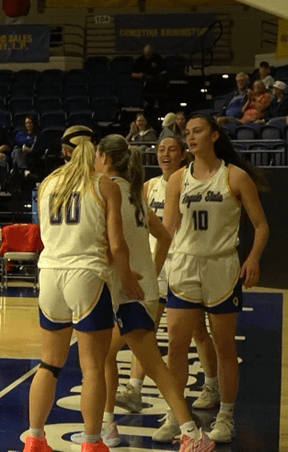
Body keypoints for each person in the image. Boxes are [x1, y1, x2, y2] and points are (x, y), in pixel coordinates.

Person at [67, 134, 215, 450]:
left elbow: (111, 246)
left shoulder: (105, 191)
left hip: (126, 290)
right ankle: (118, 426)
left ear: (105, 158)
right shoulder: (134, 194)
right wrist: (152, 272)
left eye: (97, 155)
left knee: (114, 360)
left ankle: (184, 433)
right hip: (138, 289)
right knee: (129, 361)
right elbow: (164, 237)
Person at [22, 130, 145, 452]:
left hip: (50, 274)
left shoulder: (47, 183)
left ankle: (34, 438)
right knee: (93, 368)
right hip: (87, 275)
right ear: (96, 151)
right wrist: (127, 277)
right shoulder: (104, 185)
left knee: (49, 363)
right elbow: (117, 244)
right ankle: (92, 442)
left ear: (65, 151)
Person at [161, 114, 269, 444]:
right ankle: (175, 415)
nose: (191, 137)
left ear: (214, 135)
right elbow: (167, 231)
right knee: (176, 346)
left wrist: (253, 257)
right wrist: (152, 269)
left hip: (221, 267)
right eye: (187, 133)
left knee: (224, 347)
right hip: (184, 266)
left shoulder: (234, 176)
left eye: (197, 131)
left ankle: (226, 416)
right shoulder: (178, 179)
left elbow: (261, 226)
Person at [120, 137, 220, 424]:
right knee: (144, 328)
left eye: (171, 149)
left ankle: (211, 384)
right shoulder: (148, 186)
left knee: (198, 331)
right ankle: (134, 388)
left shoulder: (189, 182)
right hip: (156, 265)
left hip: (182, 263)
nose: (164, 154)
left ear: (182, 155)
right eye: (161, 149)